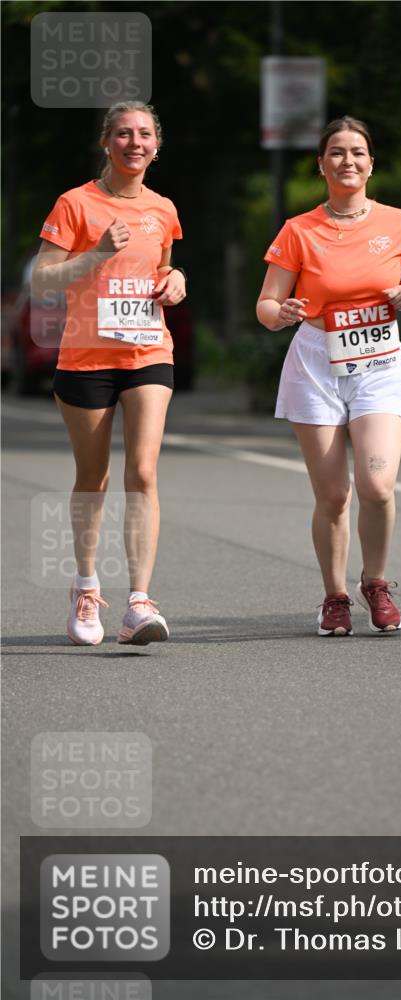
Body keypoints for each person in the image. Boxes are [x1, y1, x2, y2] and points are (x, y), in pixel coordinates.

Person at [257, 115, 401, 636]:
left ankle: (375, 583)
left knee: (377, 484)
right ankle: (334, 597)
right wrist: (281, 313)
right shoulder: (298, 230)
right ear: (321, 165)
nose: (347, 161)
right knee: (334, 495)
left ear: (371, 164)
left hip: (380, 360)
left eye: (357, 152)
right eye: (336, 152)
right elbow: (265, 304)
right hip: (316, 360)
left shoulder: (398, 222)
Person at [34, 101, 185, 646]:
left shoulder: (163, 208)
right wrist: (96, 253)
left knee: (142, 471)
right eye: (123, 133)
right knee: (92, 477)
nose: (134, 142)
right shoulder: (76, 203)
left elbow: (160, 264)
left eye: (144, 134)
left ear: (156, 147)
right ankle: (86, 587)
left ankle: (139, 602)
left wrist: (176, 278)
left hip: (148, 351)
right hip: (86, 358)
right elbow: (44, 280)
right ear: (106, 143)